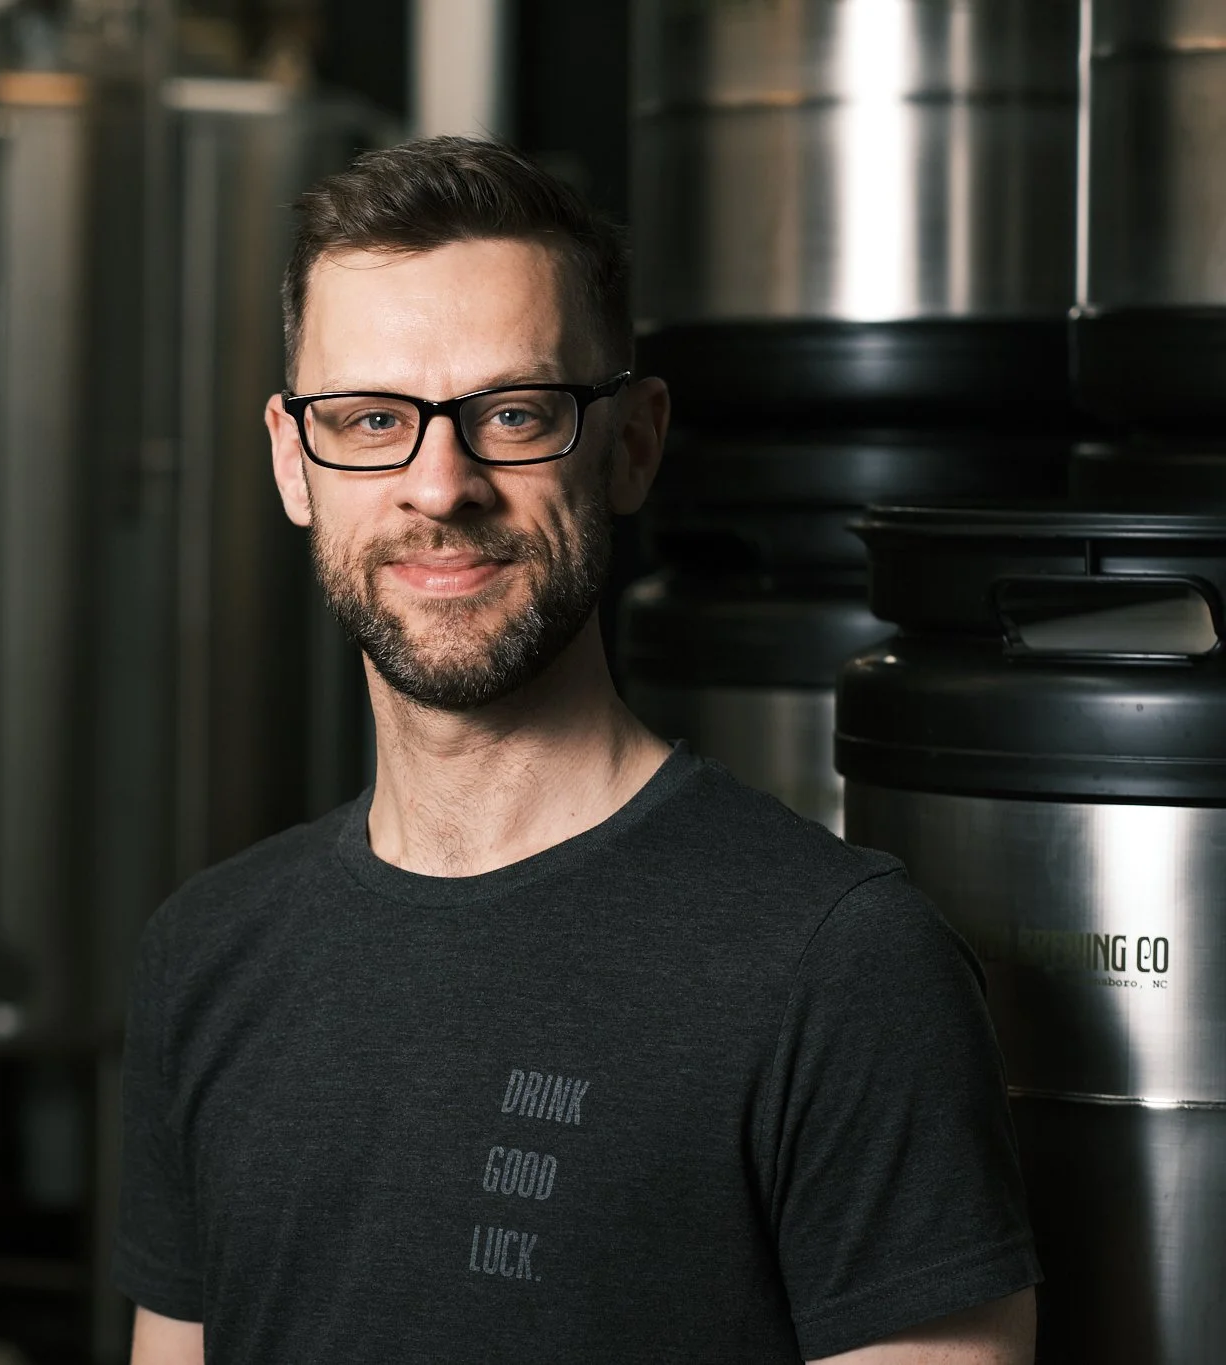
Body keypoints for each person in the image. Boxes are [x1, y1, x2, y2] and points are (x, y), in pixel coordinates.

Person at [113, 138, 1040, 1364]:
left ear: (631, 443)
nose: (438, 486)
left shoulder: (842, 969)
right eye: (370, 419)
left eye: (511, 414)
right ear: (295, 462)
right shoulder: (205, 954)